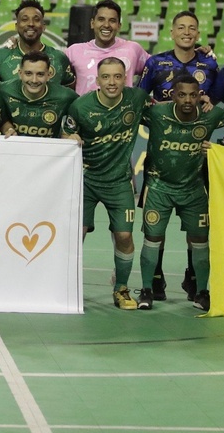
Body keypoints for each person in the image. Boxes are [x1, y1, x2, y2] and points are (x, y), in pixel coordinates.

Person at [136, 74, 224, 312]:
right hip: (159, 187)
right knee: (152, 239)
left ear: (201, 95)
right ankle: (147, 289)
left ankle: (202, 292)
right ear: (172, 95)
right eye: (182, 95)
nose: (188, 100)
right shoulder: (157, 114)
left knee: (201, 241)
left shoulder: (211, 115)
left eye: (194, 94)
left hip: (194, 190)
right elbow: (131, 104)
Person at [62, 57, 150, 308]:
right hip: (86, 179)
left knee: (124, 235)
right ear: (97, 80)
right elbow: (65, 131)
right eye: (106, 77)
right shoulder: (81, 106)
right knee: (76, 234)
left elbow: (162, 107)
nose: (112, 82)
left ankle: (121, 288)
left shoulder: (137, 99)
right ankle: (66, 285)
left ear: (126, 78)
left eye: (118, 76)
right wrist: (69, 135)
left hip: (119, 181)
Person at [0, 0, 75, 88]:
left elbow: (70, 94)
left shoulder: (59, 58)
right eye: (25, 19)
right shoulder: (0, 56)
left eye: (36, 20)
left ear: (43, 26)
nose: (31, 23)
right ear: (16, 26)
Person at [65, 0, 149, 95]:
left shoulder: (133, 49)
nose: (106, 25)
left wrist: (139, 95)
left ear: (119, 26)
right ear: (92, 23)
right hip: (86, 110)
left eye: (112, 21)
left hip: (123, 109)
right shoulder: (73, 52)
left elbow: (157, 68)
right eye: (101, 19)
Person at [0, 51, 78, 138]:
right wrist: (6, 127)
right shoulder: (2, 90)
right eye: (28, 73)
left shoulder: (66, 97)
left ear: (49, 75)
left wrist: (71, 136)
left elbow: (81, 113)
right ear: (20, 74)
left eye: (40, 74)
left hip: (49, 150)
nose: (34, 80)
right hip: (13, 149)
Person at [139, 10, 218, 100]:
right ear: (172, 34)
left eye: (192, 28)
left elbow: (216, 100)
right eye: (181, 28)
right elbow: (139, 98)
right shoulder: (155, 63)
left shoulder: (210, 64)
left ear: (198, 35)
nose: (187, 32)